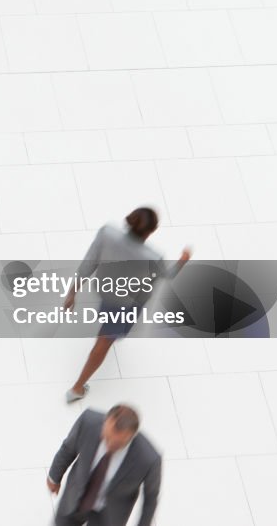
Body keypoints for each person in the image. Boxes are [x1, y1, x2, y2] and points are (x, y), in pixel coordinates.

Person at [64, 208, 191, 403]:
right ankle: (77, 387)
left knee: (111, 330)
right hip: (126, 304)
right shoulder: (153, 257)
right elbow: (168, 275)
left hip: (106, 293)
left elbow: (88, 264)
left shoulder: (107, 233)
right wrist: (183, 260)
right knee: (104, 341)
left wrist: (72, 293)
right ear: (151, 231)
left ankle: (115, 333)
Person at [46, 405, 161, 526]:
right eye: (107, 438)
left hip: (109, 516)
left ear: (132, 436)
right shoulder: (88, 421)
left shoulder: (149, 459)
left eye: (118, 444)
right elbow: (68, 449)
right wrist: (54, 476)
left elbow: (150, 499)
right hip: (73, 500)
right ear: (105, 421)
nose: (110, 445)